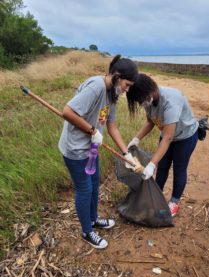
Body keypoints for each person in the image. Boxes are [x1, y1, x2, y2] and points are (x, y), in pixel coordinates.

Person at [58, 55, 138, 249]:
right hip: (75, 148)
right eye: (127, 85)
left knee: (94, 184)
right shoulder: (96, 87)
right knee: (84, 189)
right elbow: (67, 112)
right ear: (117, 76)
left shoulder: (112, 95)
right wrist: (93, 131)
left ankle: (93, 220)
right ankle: (87, 231)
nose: (127, 90)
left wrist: (126, 153)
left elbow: (112, 127)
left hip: (91, 148)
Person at [126, 73, 199, 217]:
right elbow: (150, 122)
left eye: (141, 100)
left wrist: (151, 164)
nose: (141, 104)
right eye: (139, 102)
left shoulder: (171, 101)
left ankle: (174, 202)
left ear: (151, 90)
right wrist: (136, 139)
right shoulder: (147, 99)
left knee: (179, 169)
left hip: (185, 137)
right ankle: (156, 194)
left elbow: (167, 138)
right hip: (167, 135)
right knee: (163, 166)